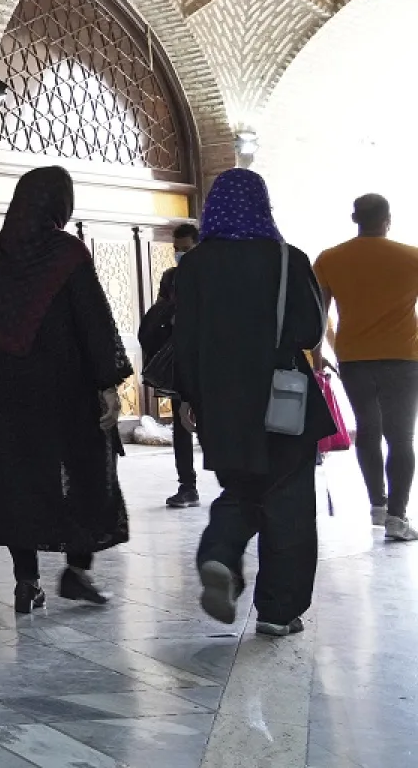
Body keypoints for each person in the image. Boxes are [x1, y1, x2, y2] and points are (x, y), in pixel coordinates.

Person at [0, 167, 130, 613]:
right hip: (66, 390)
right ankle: (76, 571)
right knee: (85, 473)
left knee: (16, 483)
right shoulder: (66, 254)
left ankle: (26, 582)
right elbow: (93, 321)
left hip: (4, 394)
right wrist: (108, 382)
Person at [176, 168, 335, 637]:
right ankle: (278, 611)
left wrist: (189, 398)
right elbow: (308, 331)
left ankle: (219, 555)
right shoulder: (288, 258)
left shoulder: (195, 265)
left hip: (221, 404)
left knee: (242, 489)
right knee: (287, 500)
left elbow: (184, 342)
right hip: (283, 398)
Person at [313, 194, 418, 542]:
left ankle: (377, 504)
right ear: (387, 219)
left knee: (368, 431)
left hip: (354, 357)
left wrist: (319, 352)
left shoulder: (331, 259)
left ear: (354, 218)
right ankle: (397, 517)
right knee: (400, 437)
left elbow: (317, 313)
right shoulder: (412, 258)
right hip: (403, 357)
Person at [139, 223, 202, 508]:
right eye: (176, 250)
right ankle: (187, 486)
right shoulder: (171, 278)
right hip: (180, 358)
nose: (180, 255)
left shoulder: (213, 274)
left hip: (209, 358)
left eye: (186, 249)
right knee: (181, 424)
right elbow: (161, 314)